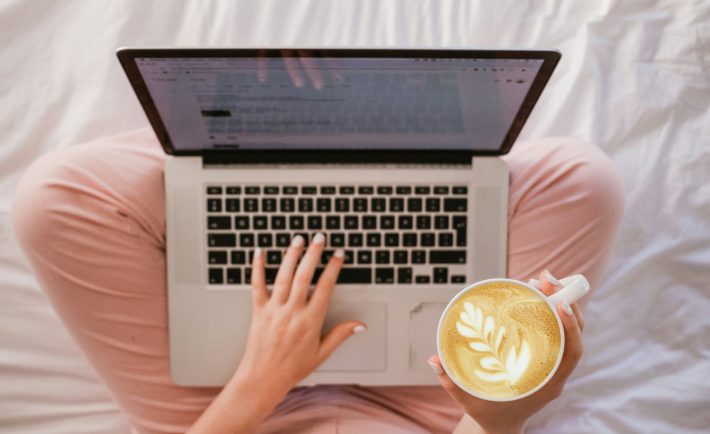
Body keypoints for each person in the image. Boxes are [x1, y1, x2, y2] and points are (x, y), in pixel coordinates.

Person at [11, 128, 625, 433]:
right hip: (433, 418)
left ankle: (256, 135)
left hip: (228, 411)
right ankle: (375, 136)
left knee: (54, 200)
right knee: (584, 181)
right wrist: (496, 418)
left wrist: (261, 378)